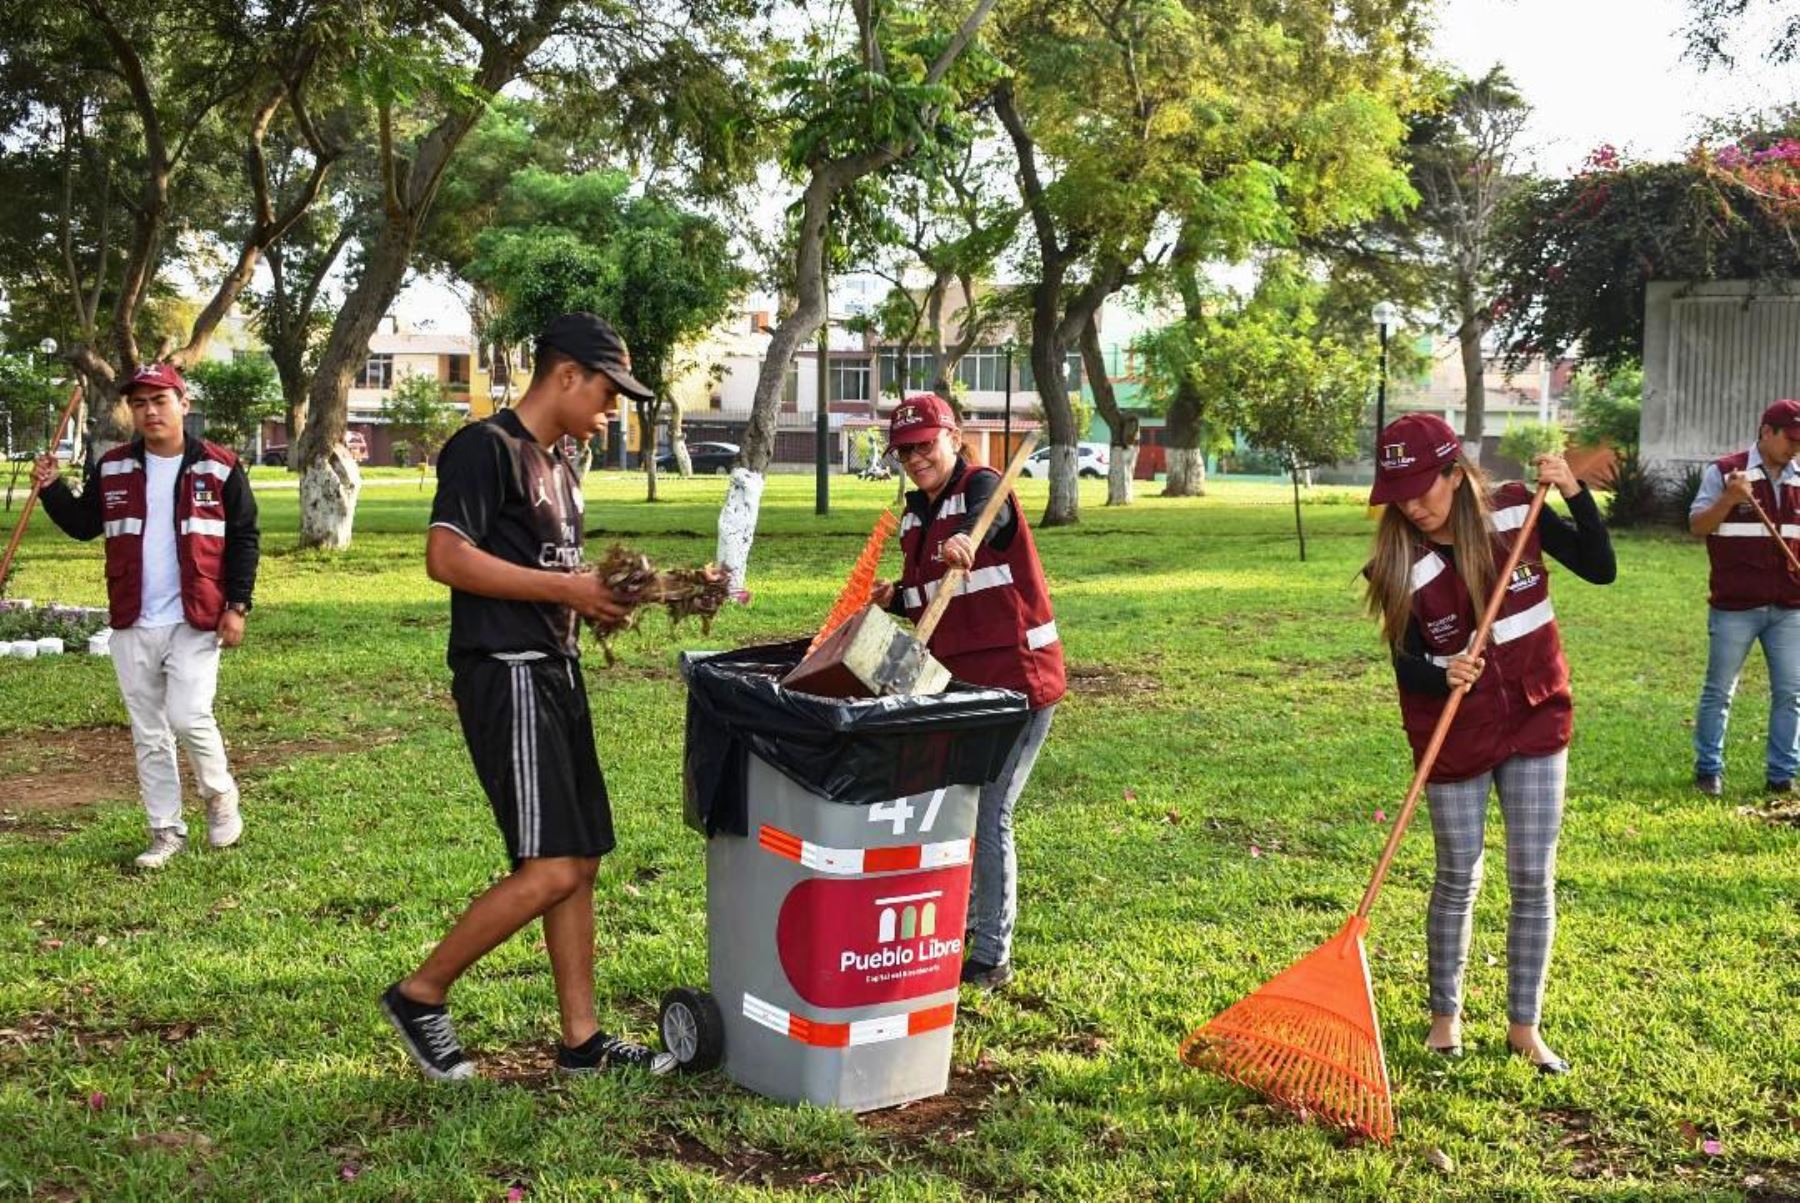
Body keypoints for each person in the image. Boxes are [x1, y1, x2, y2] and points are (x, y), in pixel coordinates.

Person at [381, 312, 677, 1082]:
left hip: (556, 671)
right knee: (547, 866)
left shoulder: (563, 464)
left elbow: (561, 577)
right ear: (568, 374)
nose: (612, 411)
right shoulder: (487, 448)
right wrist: (567, 589)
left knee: (580, 862)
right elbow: (446, 557)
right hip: (506, 669)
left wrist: (624, 593)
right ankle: (422, 992)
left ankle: (581, 1042)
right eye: (609, 394)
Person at [1362, 413, 1614, 1074]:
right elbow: (1403, 661)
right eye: (1399, 493)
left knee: (1533, 876)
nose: (1412, 505)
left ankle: (1523, 1027)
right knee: (1457, 872)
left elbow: (1600, 567)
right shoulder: (1398, 559)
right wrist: (1441, 670)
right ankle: (1445, 1020)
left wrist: (1573, 494)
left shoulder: (1515, 514)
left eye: (1424, 487)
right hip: (1457, 731)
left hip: (1535, 715)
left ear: (1455, 472)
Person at [871, 394, 1066, 990]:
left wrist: (968, 542)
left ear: (953, 436)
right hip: (957, 684)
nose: (914, 458)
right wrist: (893, 597)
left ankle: (991, 953)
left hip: (1018, 680)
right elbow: (926, 600)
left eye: (925, 444)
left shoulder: (982, 487)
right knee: (956, 808)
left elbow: (992, 520)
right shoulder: (913, 514)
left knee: (990, 808)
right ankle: (951, 924)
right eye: (903, 450)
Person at [34, 363, 259, 869]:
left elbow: (244, 539)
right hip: (133, 618)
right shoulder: (112, 466)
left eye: (159, 400)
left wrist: (238, 605)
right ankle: (165, 831)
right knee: (148, 731)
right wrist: (51, 489)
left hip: (196, 616)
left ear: (183, 403)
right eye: (139, 403)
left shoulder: (220, 467)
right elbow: (83, 525)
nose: (150, 411)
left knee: (188, 715)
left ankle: (220, 796)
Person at [1686, 399, 1800, 797]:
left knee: (1791, 693)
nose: (1794, 448)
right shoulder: (1724, 473)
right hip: (1735, 605)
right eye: (1789, 439)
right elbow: (1698, 526)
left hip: (1791, 607)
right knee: (1720, 691)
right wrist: (1730, 500)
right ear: (1766, 431)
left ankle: (1782, 775)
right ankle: (1708, 770)